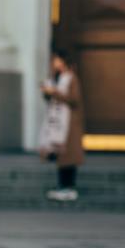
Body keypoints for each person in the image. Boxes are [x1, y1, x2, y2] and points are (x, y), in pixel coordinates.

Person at [39, 50, 85, 202]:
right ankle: (63, 187)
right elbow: (50, 98)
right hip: (57, 122)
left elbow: (74, 99)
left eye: (56, 60)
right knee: (60, 155)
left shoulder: (71, 78)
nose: (54, 63)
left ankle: (68, 187)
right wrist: (47, 91)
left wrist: (55, 92)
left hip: (68, 123)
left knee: (68, 156)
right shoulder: (54, 77)